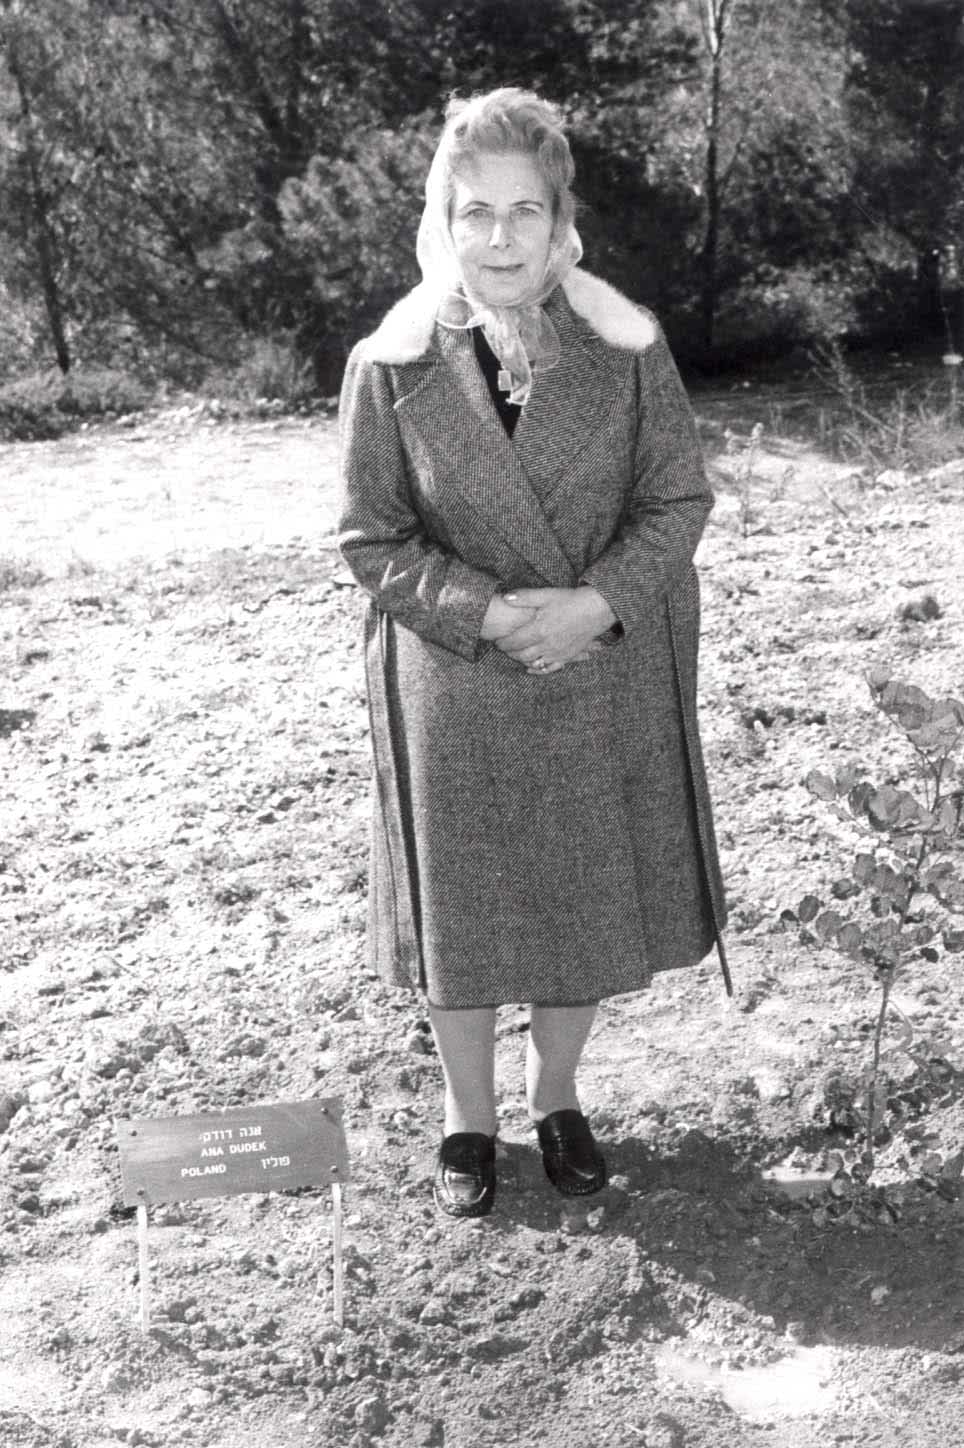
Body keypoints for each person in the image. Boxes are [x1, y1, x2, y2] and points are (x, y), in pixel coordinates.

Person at [337, 87, 729, 1220]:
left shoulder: (626, 347)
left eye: (524, 211)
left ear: (562, 227)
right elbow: (370, 535)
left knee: (573, 902)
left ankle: (557, 1095)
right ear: (442, 222)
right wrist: (490, 611)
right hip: (453, 675)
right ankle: (469, 1117)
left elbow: (677, 498)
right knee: (465, 916)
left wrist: (594, 605)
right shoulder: (392, 361)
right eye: (476, 212)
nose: (500, 237)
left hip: (590, 667)